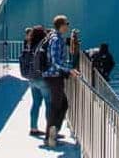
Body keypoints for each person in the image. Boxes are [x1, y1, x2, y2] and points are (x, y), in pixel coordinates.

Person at [43, 15, 80, 147]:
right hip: (54, 76)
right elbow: (55, 61)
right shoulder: (56, 39)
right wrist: (69, 70)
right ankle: (50, 137)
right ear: (61, 25)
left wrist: (70, 68)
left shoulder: (56, 37)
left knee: (62, 104)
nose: (68, 26)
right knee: (56, 106)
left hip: (55, 76)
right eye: (66, 24)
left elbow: (59, 60)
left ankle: (53, 132)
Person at [23, 26, 49, 136]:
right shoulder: (43, 46)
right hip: (42, 79)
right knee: (49, 104)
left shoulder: (30, 45)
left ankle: (33, 129)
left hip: (31, 79)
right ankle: (50, 131)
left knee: (35, 104)